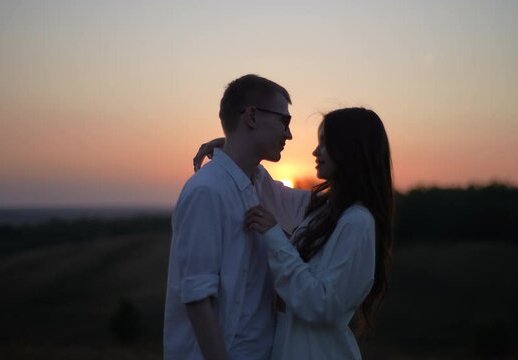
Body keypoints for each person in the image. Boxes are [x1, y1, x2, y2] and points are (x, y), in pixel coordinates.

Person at [201, 107, 394, 359]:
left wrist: (274, 237)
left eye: (326, 143)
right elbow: (272, 192)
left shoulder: (358, 222)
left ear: (350, 150)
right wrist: (236, 150)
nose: (316, 151)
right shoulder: (325, 209)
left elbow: (322, 304)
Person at [163, 74, 310, 360]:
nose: (289, 134)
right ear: (252, 116)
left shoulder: (256, 183)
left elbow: (317, 205)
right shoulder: (207, 191)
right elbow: (196, 297)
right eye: (284, 121)